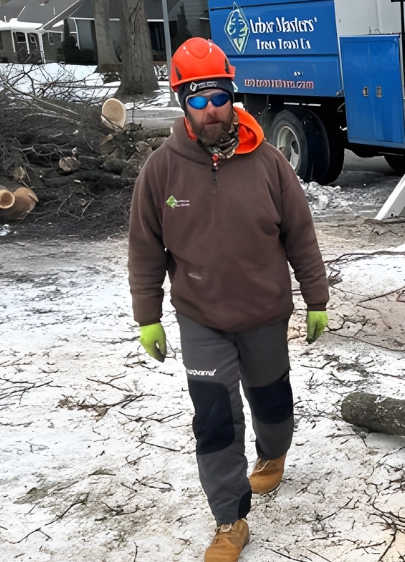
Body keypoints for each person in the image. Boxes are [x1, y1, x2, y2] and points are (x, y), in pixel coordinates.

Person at [127, 37, 329, 562]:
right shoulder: (161, 170)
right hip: (200, 317)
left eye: (217, 95)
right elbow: (145, 247)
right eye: (197, 98)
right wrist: (148, 315)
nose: (211, 108)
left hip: (263, 311)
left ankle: (275, 450)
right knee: (214, 417)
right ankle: (228, 519)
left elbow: (300, 235)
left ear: (231, 93)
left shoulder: (268, 163)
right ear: (182, 103)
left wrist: (316, 297)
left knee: (271, 402)